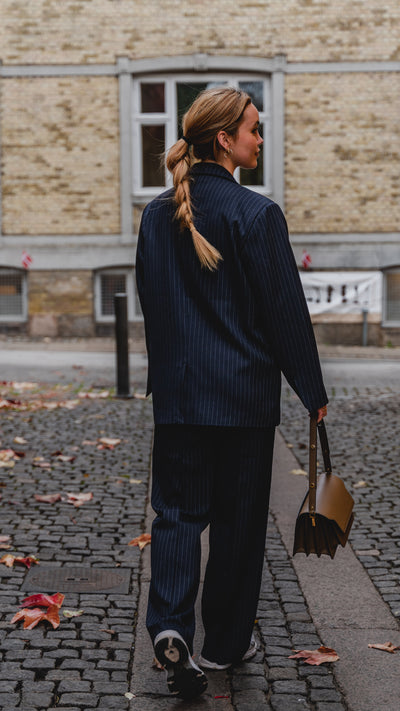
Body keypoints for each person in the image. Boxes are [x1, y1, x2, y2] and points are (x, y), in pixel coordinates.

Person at [136, 86, 328, 701]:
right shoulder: (256, 214)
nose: (259, 138)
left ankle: (169, 624)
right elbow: (285, 314)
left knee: (177, 516)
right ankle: (222, 644)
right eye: (253, 128)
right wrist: (312, 390)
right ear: (224, 138)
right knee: (239, 526)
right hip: (243, 401)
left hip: (182, 397)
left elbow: (154, 306)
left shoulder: (157, 214)